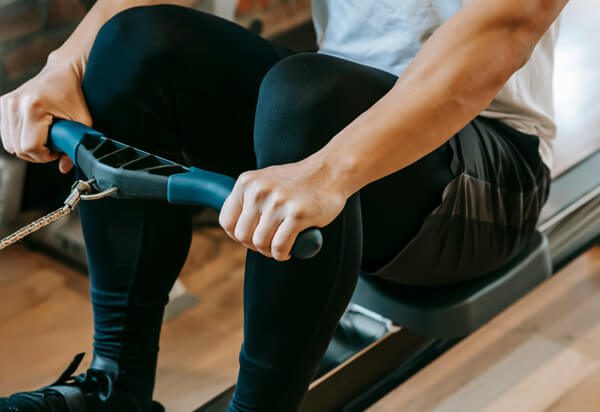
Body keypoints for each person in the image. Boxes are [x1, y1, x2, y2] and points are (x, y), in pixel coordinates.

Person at [0, 0, 567, 411]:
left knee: (308, 99)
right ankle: (114, 385)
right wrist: (65, 65)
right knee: (134, 42)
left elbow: (510, 22)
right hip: (331, 114)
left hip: (486, 174)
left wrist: (330, 170)